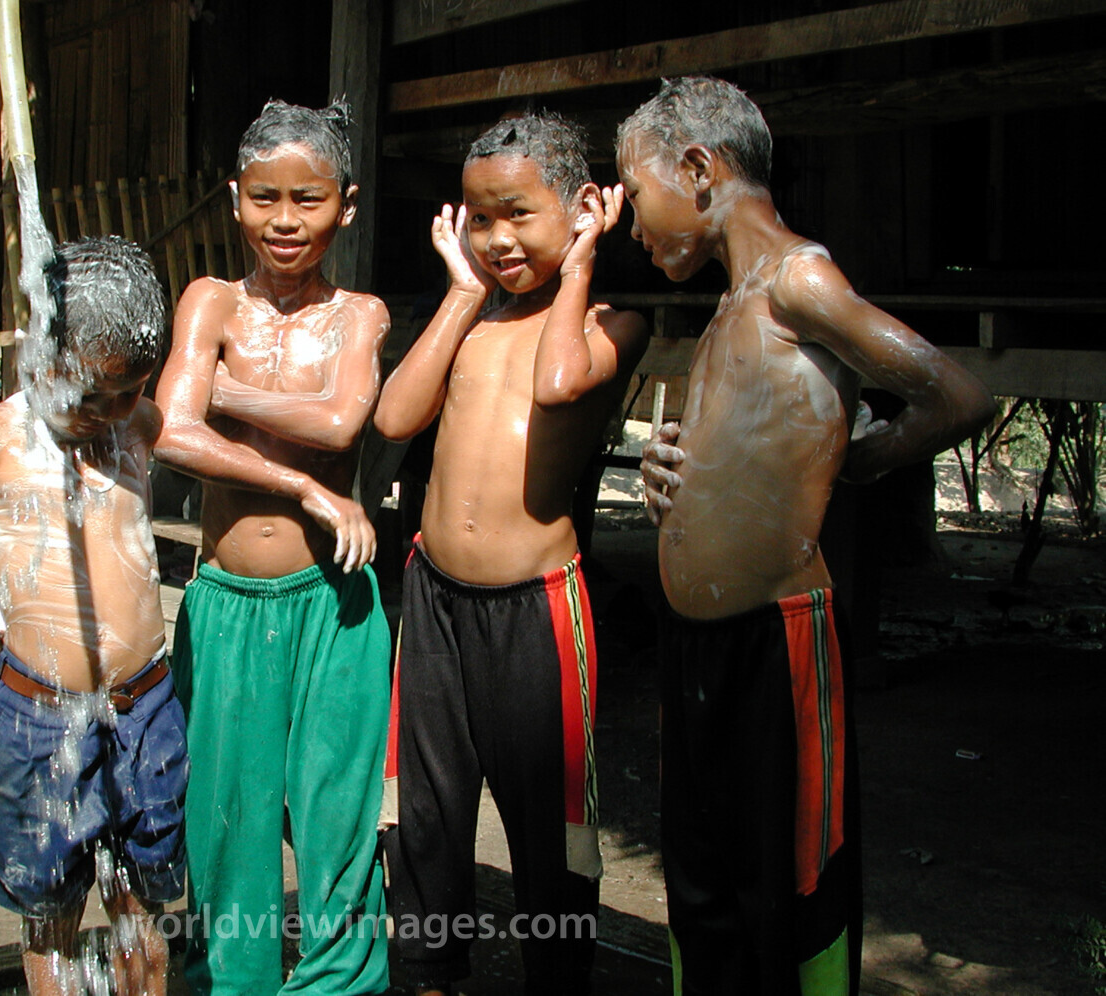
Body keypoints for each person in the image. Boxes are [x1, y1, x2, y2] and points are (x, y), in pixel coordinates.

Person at [619, 77, 996, 995]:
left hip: (775, 643)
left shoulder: (797, 279)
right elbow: (746, 438)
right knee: (702, 876)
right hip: (696, 645)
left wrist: (862, 460)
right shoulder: (729, 303)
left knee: (793, 876)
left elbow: (955, 394)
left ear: (699, 170)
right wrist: (668, 464)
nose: (633, 226)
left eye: (635, 197)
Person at [373, 111, 648, 995]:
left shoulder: (614, 321)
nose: (496, 239)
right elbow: (392, 417)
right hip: (435, 598)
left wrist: (581, 265)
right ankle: (430, 974)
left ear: (583, 207)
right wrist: (458, 296)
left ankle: (558, 979)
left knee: (548, 823)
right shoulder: (468, 319)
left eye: (519, 214)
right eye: (478, 218)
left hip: (537, 608)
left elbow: (558, 381)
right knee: (428, 810)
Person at [152, 99, 392, 996]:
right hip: (227, 603)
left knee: (336, 812)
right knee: (226, 815)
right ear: (235, 198)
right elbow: (169, 434)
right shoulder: (209, 300)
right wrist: (297, 485)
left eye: (308, 199)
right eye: (264, 198)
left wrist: (219, 389)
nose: (285, 221)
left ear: (347, 204)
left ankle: (339, 984)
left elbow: (339, 422)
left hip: (335, 605)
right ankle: (237, 979)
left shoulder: (360, 315)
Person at [0, 235, 183, 996]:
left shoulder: (140, 428)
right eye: (86, 392)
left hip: (145, 708)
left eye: (125, 391)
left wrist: (128, 408)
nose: (100, 414)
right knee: (50, 915)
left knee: (144, 909)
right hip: (39, 717)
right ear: (37, 348)